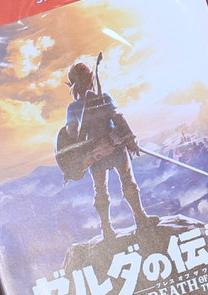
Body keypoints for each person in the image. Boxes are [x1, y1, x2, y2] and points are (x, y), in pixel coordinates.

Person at [62, 61, 151, 238]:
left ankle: (108, 228)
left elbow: (71, 132)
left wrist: (129, 138)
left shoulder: (73, 107)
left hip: (97, 151)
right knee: (126, 181)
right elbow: (117, 117)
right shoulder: (102, 98)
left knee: (102, 190)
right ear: (91, 78)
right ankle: (139, 219)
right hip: (111, 146)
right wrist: (129, 138)